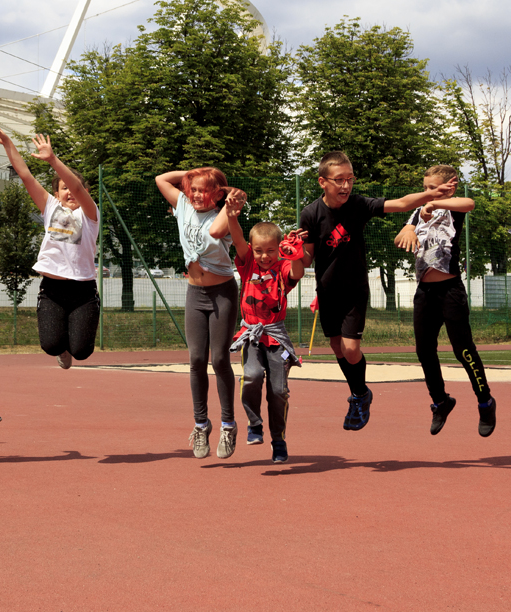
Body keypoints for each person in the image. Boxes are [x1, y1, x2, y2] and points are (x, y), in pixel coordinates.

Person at [296, 151, 456, 431]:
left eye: (350, 179)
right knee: (336, 347)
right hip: (327, 292)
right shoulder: (310, 213)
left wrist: (430, 195)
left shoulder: (358, 205)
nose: (346, 185)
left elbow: (402, 203)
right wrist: (294, 251)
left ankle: (360, 394)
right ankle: (359, 393)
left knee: (350, 348)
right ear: (323, 182)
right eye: (339, 180)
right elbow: (307, 259)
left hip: (354, 290)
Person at [394, 165, 496, 437]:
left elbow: (469, 203)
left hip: (450, 290)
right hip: (424, 293)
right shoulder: (419, 211)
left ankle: (485, 401)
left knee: (463, 350)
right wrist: (407, 231)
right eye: (425, 188)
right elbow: (403, 234)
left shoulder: (453, 207)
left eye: (433, 188)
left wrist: (435, 202)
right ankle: (440, 402)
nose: (427, 192)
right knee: (424, 350)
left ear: (450, 186)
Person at [154, 167, 246, 460]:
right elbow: (160, 180)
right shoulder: (182, 204)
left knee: (218, 359)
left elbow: (216, 232)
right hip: (195, 293)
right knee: (196, 359)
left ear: (217, 194)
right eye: (192, 189)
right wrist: (194, 174)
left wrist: (230, 201)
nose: (194, 195)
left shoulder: (224, 212)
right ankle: (201, 424)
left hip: (222, 293)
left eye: (202, 190)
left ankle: (228, 425)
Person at [0, 120, 99, 369]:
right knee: (51, 345)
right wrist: (7, 143)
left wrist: (53, 160)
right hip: (53, 289)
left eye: (75, 188)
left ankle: (73, 344)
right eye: (63, 189)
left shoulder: (90, 214)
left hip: (83, 290)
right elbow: (25, 174)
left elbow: (77, 187)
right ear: (57, 193)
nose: (70, 192)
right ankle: (61, 348)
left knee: (82, 351)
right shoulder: (50, 206)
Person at [226, 213, 305, 464]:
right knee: (251, 376)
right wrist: (231, 217)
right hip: (251, 335)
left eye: (271, 250)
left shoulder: (282, 268)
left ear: (278, 249)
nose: (264, 256)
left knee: (278, 391)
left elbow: (297, 273)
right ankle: (255, 424)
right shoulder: (248, 263)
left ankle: (278, 439)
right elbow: (238, 239)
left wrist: (296, 254)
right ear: (252, 249)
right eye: (259, 250)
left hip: (276, 337)